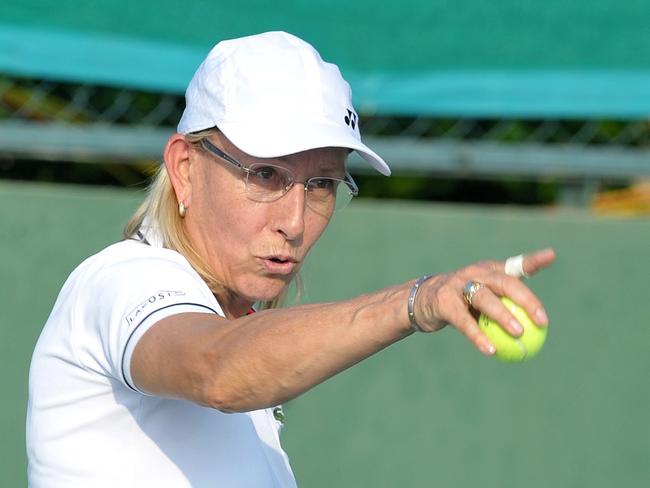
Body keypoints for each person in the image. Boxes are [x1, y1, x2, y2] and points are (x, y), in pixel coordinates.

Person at [26, 31, 556, 487]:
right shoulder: (124, 279)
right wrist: (414, 302)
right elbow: (217, 369)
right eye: (265, 175)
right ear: (185, 168)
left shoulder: (234, 319)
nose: (296, 221)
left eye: (321, 183)